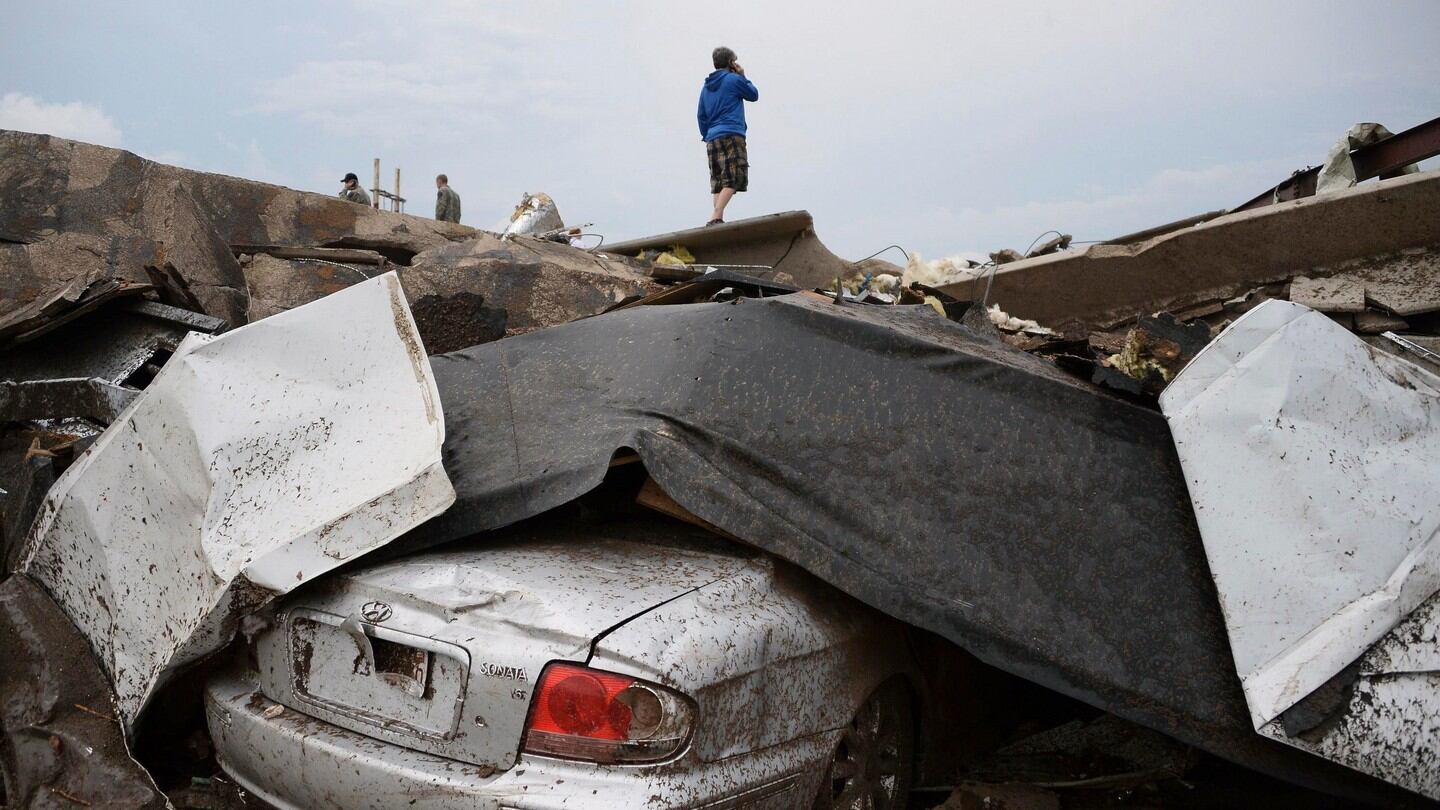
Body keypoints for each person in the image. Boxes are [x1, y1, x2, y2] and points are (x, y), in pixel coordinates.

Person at [697, 45, 758, 226]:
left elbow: (701, 115)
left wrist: (706, 135)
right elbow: (754, 95)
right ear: (731, 62)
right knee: (734, 176)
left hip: (712, 136)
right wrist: (743, 76)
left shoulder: (706, 87)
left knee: (718, 180)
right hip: (732, 133)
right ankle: (715, 215)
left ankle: (718, 218)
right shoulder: (734, 80)